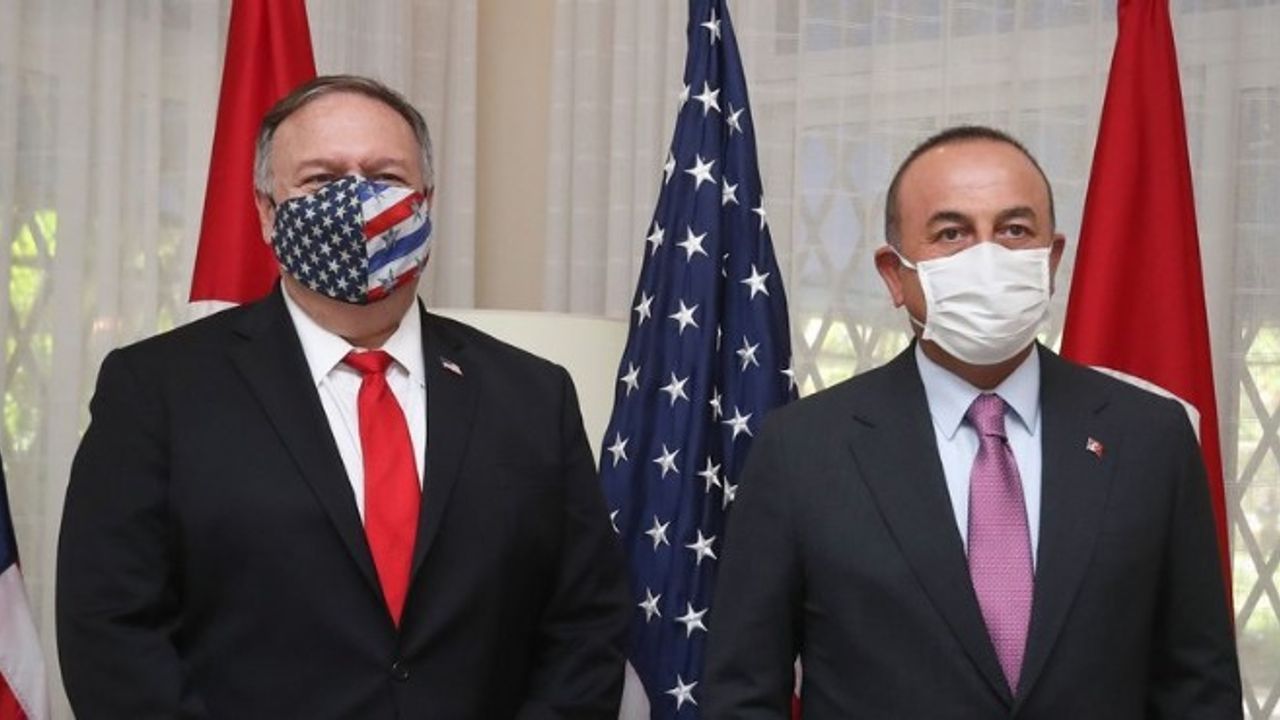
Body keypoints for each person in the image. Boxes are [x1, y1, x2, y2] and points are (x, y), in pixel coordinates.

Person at [57, 75, 630, 719]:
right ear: (267, 211)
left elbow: (586, 623)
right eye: (321, 180)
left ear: (427, 202)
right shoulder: (156, 390)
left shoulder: (533, 396)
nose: (356, 201)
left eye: (385, 177)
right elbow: (111, 630)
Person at [703, 125, 1241, 718]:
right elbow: (743, 694)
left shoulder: (1151, 437)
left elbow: (1199, 686)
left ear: (1051, 260)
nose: (988, 257)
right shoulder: (801, 449)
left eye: (1014, 230)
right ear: (894, 274)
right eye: (951, 233)